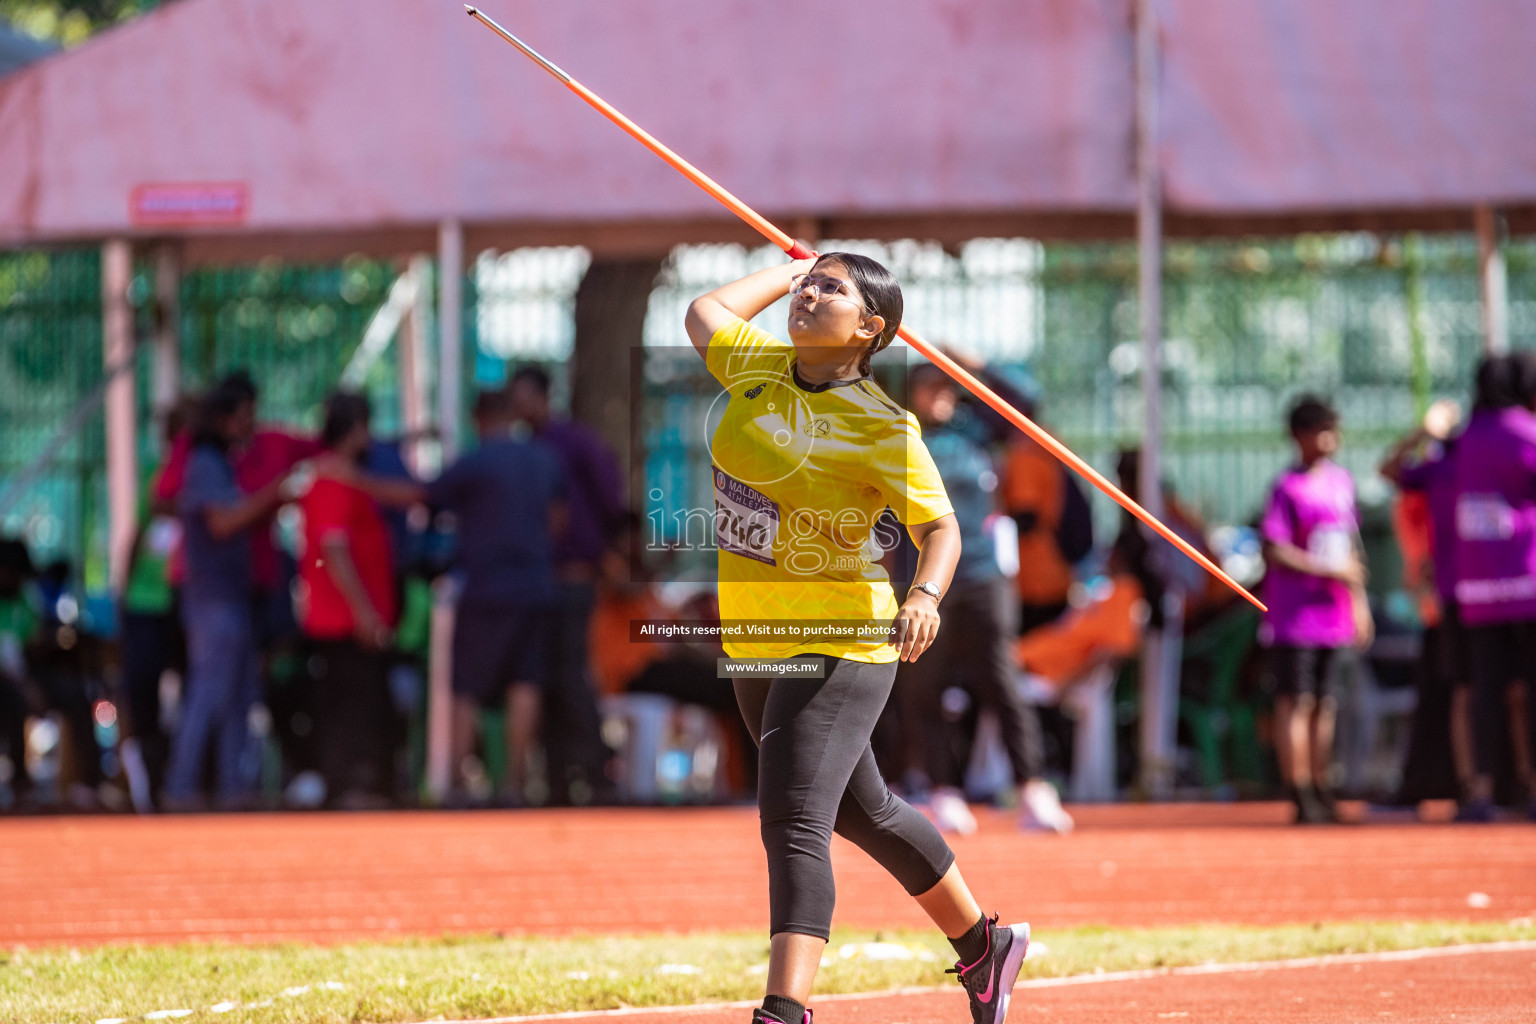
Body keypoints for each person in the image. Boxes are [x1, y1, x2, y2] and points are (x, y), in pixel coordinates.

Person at [686, 251, 1031, 1024]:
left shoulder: (885, 425)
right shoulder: (760, 366)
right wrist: (793, 264)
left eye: (830, 289)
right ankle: (985, 947)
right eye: (810, 286)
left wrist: (925, 597)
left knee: (793, 819)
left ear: (870, 327)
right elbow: (703, 310)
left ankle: (785, 1010)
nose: (809, 296)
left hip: (846, 636)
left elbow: (938, 527)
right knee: (860, 810)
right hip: (758, 638)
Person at [897, 360, 1072, 835]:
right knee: (923, 686)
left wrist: (969, 362)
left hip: (982, 574)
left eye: (946, 386)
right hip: (921, 580)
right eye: (930, 385)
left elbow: (1027, 399)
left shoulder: (976, 432)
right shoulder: (897, 436)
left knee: (1001, 678)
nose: (941, 394)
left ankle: (1033, 788)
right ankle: (943, 791)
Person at [426, 388, 565, 805]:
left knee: (467, 684)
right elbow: (559, 520)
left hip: (487, 589)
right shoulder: (544, 460)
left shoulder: (476, 462)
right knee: (526, 683)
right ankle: (516, 782)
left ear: (479, 418)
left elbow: (423, 495)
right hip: (536, 588)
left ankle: (455, 780)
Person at [163, 380, 289, 810]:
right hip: (212, 600)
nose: (250, 424)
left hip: (231, 597)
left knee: (239, 699)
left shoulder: (223, 463)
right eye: (244, 415)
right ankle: (181, 789)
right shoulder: (205, 462)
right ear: (223, 419)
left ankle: (236, 791)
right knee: (208, 694)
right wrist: (275, 493)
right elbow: (223, 522)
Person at [509, 366, 623, 804]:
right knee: (549, 679)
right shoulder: (527, 448)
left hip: (572, 577)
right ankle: (558, 778)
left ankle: (596, 769)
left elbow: (607, 496)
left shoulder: (573, 442)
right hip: (537, 582)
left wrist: (598, 553)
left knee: (571, 675)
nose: (518, 405)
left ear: (542, 396)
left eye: (523, 395)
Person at [1257, 396, 1372, 825]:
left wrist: (1358, 603)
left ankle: (1323, 785)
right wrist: (1325, 568)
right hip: (1295, 616)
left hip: (1333, 614)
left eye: (1332, 430)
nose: (1329, 440)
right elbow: (1274, 548)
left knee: (1325, 703)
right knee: (1295, 703)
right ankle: (1299, 789)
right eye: (1319, 431)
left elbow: (1351, 551)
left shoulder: (1342, 482)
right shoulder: (1287, 488)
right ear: (1298, 437)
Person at [296, 392, 404, 808]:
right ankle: (349, 787)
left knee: (360, 705)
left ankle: (356, 785)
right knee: (352, 709)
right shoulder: (333, 480)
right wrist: (364, 612)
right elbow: (335, 549)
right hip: (342, 620)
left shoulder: (344, 476)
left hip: (347, 617)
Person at [1452, 353, 1536, 822]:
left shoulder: (1465, 439)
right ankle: (1530, 782)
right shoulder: (1525, 432)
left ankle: (1481, 789)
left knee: (1486, 691)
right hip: (1527, 582)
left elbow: (1411, 476)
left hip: (1477, 588)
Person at [1379, 398, 1472, 805]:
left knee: (1459, 697)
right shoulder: (1432, 476)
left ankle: (1468, 782)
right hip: (1440, 605)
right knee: (1440, 697)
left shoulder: (1472, 466)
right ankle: (1434, 782)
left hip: (1470, 602)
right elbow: (1390, 469)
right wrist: (1422, 430)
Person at [998, 396, 1093, 638]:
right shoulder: (1047, 444)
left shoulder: (1024, 453)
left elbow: (1026, 516)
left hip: (1035, 581)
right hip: (1059, 574)